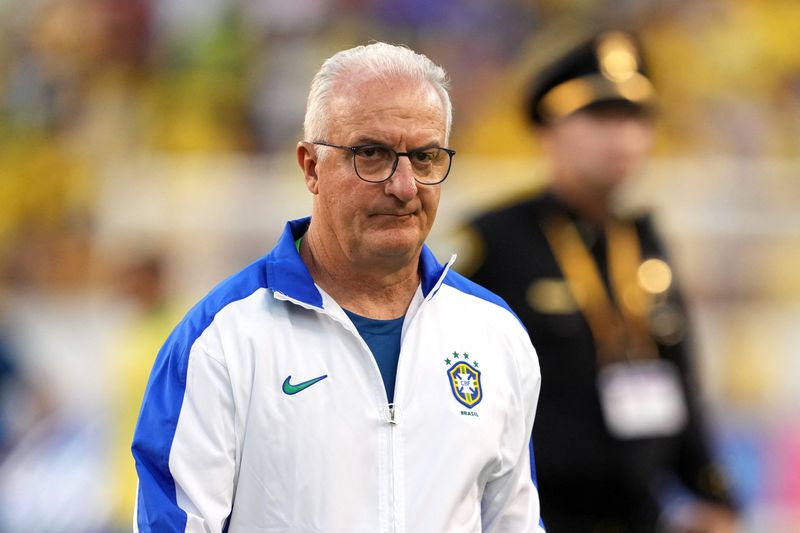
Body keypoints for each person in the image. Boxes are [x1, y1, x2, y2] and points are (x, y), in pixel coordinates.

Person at [132, 42, 546, 532]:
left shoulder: (495, 335)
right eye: (371, 154)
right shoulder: (223, 340)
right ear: (310, 166)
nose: (404, 185)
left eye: (426, 156)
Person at [462, 31, 740, 533]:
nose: (622, 137)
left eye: (635, 118)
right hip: (535, 517)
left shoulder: (645, 241)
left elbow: (680, 382)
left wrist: (712, 493)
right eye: (600, 117)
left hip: (643, 516)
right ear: (549, 132)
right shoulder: (495, 243)